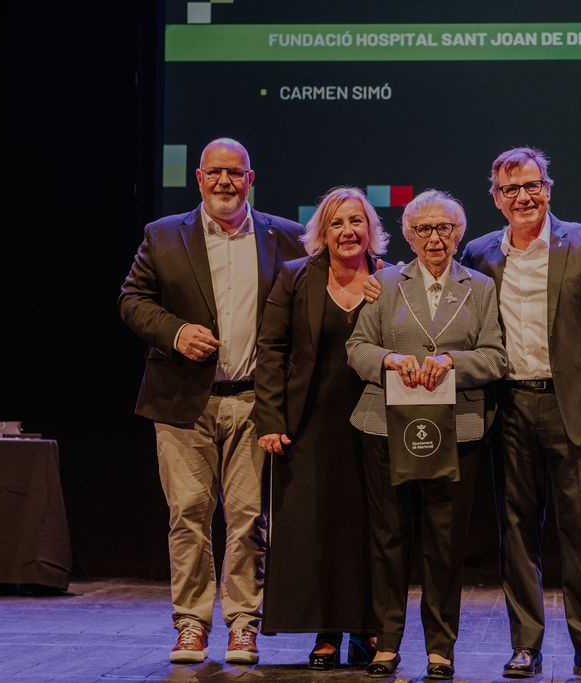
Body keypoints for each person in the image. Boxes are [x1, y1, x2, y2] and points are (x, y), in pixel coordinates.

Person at [119, 138, 304, 664]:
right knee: (188, 514)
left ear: (250, 179)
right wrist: (175, 333)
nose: (225, 181)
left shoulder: (285, 237)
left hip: (253, 402)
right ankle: (191, 623)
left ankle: (243, 623)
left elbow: (328, 282)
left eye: (235, 173)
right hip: (182, 402)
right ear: (199, 178)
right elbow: (131, 300)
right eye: (215, 172)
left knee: (248, 517)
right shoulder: (163, 235)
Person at [461, 147, 581, 681]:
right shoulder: (479, 253)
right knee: (516, 531)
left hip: (575, 405)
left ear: (548, 189)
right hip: (509, 405)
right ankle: (525, 645)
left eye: (532, 185)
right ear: (496, 198)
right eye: (511, 189)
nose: (523, 197)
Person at [346, 190, 508, 680]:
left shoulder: (480, 287)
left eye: (444, 228)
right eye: (423, 229)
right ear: (409, 235)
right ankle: (386, 645)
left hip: (457, 431)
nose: (434, 238)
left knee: (445, 543)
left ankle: (441, 649)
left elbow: (496, 356)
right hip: (384, 427)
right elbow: (357, 346)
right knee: (389, 538)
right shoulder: (384, 283)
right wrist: (390, 360)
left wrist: (452, 362)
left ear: (459, 233)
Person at [254, 187, 388, 668]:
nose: (348, 231)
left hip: (375, 424)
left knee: (369, 529)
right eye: (337, 222)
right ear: (322, 232)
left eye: (356, 221)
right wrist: (270, 420)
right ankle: (327, 631)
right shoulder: (295, 277)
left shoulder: (390, 278)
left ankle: (369, 627)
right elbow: (271, 350)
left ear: (370, 229)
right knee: (318, 530)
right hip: (309, 426)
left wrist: (387, 303)